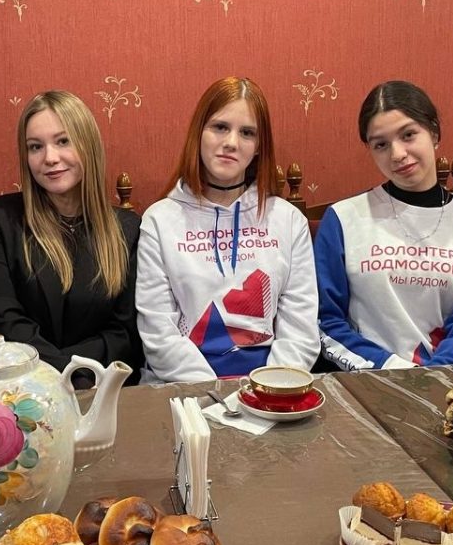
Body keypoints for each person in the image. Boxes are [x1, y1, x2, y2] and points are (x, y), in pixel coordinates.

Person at [136, 76, 318, 382]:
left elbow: (301, 330)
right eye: (220, 127)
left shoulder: (288, 221)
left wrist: (266, 388)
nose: (231, 142)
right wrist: (217, 394)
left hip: (271, 383)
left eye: (247, 133)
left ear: (259, 147)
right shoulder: (159, 221)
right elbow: (159, 334)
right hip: (183, 386)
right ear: (199, 133)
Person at [316, 80, 453, 369]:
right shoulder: (343, 219)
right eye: (381, 144)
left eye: (408, 135)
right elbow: (327, 320)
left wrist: (435, 377)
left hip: (449, 380)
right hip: (365, 380)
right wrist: (392, 370)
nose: (397, 154)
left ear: (434, 133)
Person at [0, 90, 141, 383]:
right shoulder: (3, 217)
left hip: (100, 384)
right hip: (23, 385)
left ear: (88, 145)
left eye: (63, 141)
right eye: (35, 147)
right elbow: (2, 319)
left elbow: (124, 332)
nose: (50, 158)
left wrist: (78, 375)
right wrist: (60, 374)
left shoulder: (127, 228)